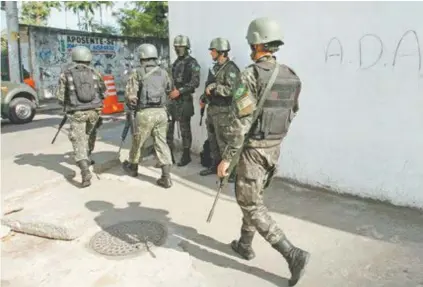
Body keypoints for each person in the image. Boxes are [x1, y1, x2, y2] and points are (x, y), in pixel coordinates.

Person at [216, 17, 310, 286]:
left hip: (254, 150)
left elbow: (241, 121)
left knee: (250, 203)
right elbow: (293, 112)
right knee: (253, 196)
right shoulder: (291, 75)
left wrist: (226, 159)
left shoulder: (251, 74)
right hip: (274, 148)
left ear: (256, 43)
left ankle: (292, 254)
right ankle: (245, 245)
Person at [122, 43, 174, 189]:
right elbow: (169, 89)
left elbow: (131, 96)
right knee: (161, 142)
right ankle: (166, 177)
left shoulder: (137, 72)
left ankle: (133, 167)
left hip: (145, 113)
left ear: (142, 56)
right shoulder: (164, 72)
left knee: (138, 142)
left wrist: (131, 108)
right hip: (161, 113)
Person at [56, 46, 106, 188]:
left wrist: (67, 104)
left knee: (78, 141)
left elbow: (60, 97)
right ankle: (88, 157)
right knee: (90, 135)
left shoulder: (66, 74)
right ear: (88, 58)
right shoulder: (96, 73)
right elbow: (103, 91)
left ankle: (85, 172)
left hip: (77, 112)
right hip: (94, 112)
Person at [199, 37, 240, 183]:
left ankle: (231, 171)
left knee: (224, 142)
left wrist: (216, 89)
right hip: (212, 109)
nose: (211, 53)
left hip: (224, 111)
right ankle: (215, 165)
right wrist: (204, 98)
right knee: (213, 141)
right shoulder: (215, 68)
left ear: (221, 52)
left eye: (213, 51)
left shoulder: (231, 69)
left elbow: (234, 90)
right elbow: (208, 85)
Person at [167, 35, 201, 167]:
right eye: (176, 47)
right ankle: (168, 154)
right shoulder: (175, 63)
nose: (178, 49)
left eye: (180, 47)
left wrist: (179, 91)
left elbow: (195, 82)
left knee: (185, 129)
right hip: (173, 101)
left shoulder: (192, 63)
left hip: (184, 100)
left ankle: (186, 154)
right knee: (169, 128)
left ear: (186, 47)